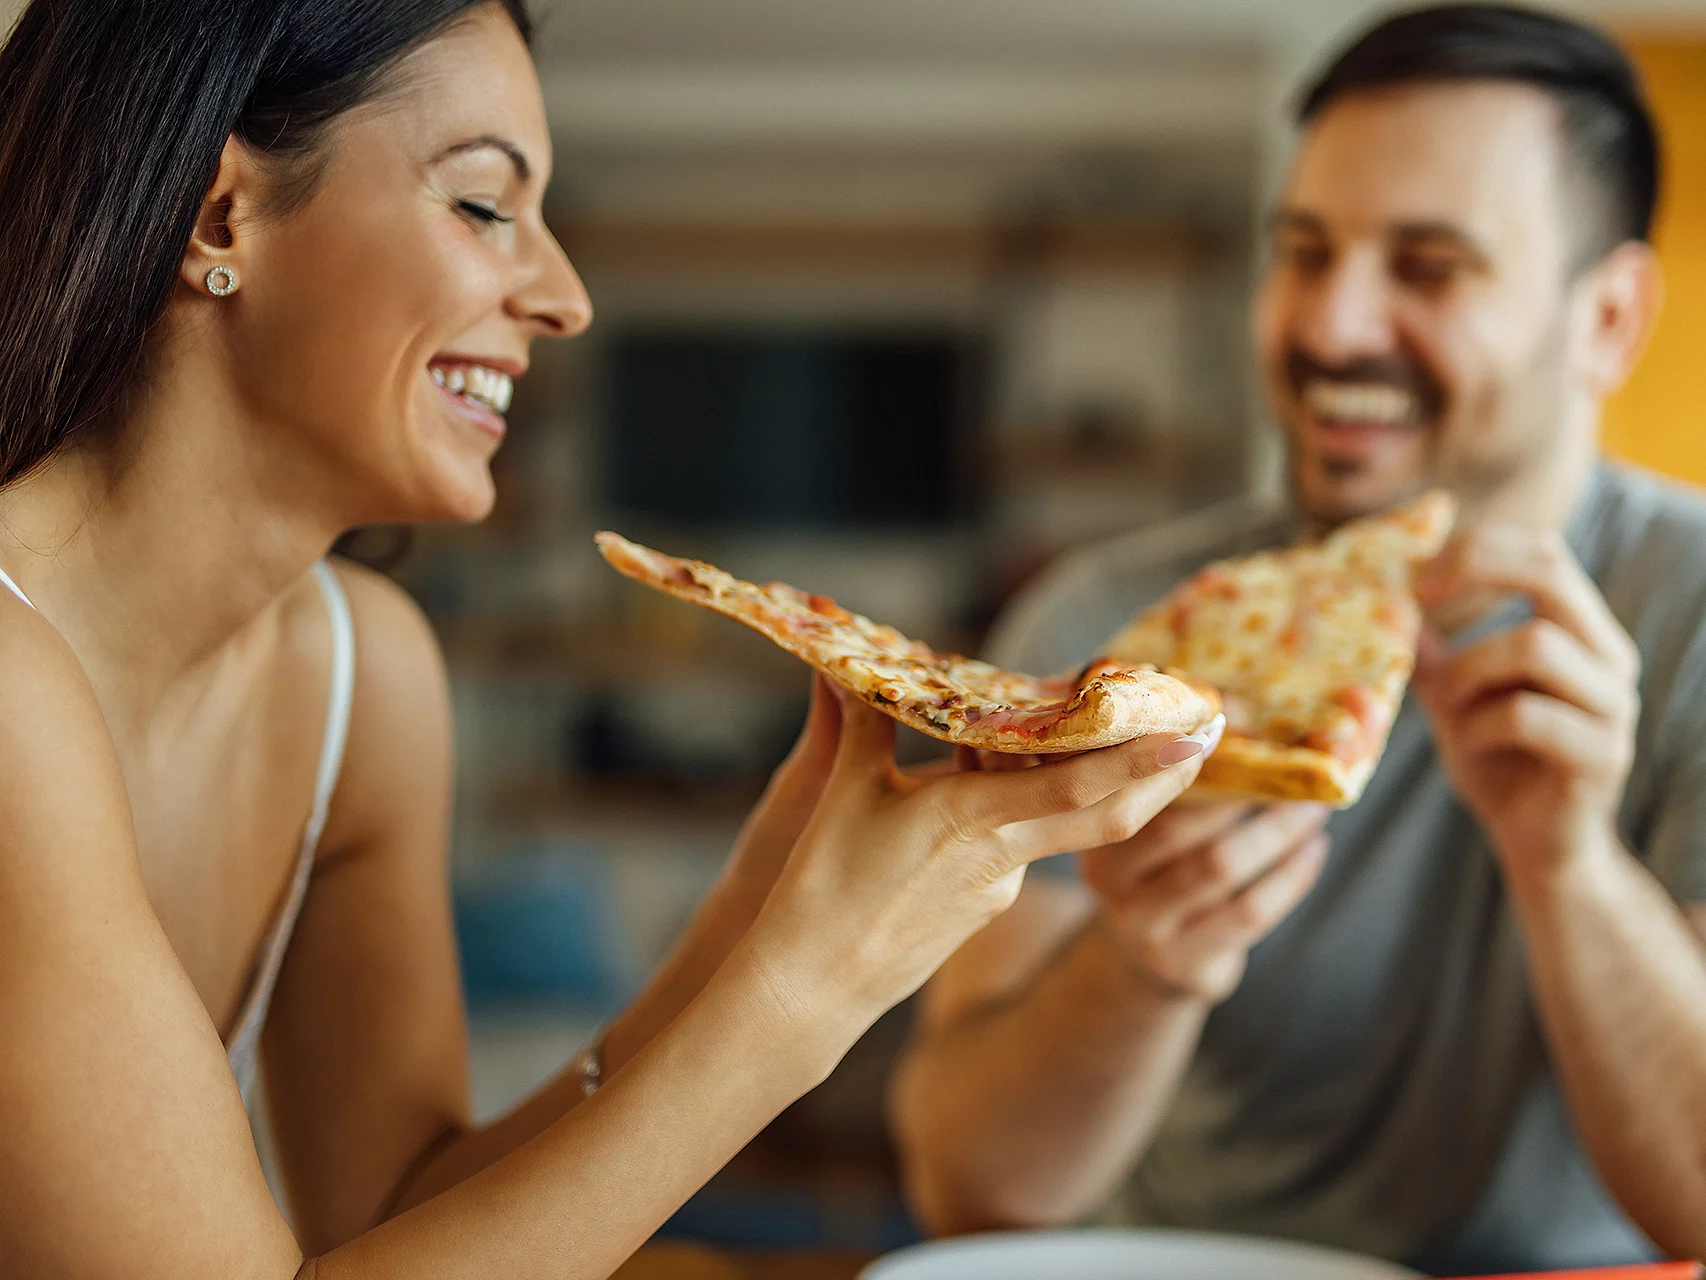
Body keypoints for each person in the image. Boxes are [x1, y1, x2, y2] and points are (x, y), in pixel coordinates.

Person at [0, 3, 1224, 1276]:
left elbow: (395, 1213)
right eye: (484, 205)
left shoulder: (365, 673)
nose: (565, 297)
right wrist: (811, 989)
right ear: (221, 217)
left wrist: (741, 926)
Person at [890, 5, 1706, 1273]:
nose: (1330, 328)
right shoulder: (1108, 633)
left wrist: (1567, 865)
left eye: (1428, 267)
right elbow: (970, 1189)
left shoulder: (1694, 610)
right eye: (1303, 251)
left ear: (1604, 319)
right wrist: (1144, 963)